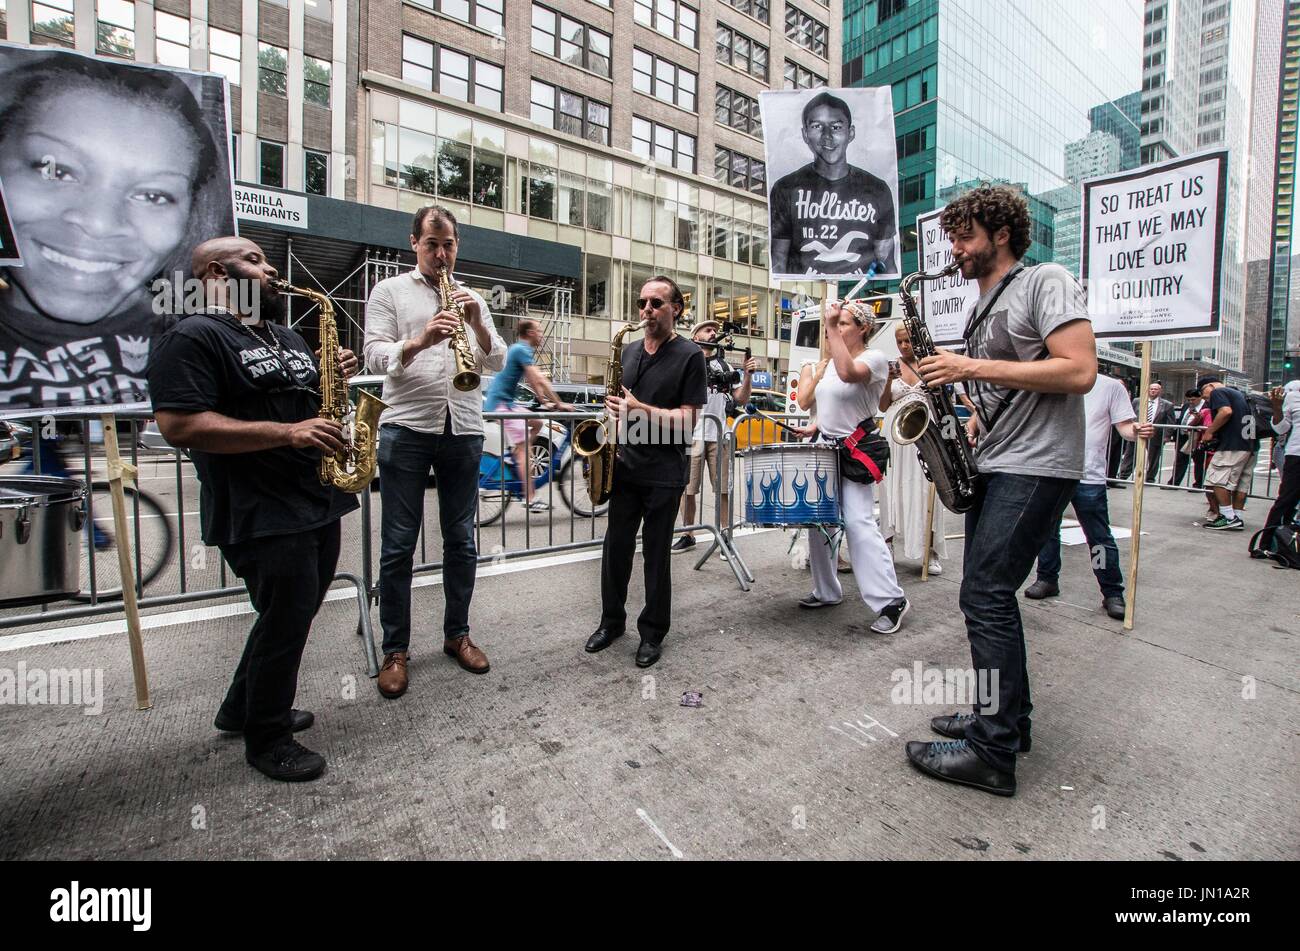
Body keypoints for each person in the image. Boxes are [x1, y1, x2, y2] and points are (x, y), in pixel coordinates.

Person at [146, 236, 359, 783]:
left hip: (313, 497)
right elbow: (180, 424)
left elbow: (308, 408)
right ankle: (268, 738)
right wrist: (287, 432)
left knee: (295, 611)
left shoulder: (284, 335)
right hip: (259, 507)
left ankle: (242, 707)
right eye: (256, 261)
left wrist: (334, 379)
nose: (271, 271)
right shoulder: (191, 336)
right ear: (218, 273)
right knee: (286, 615)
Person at [908, 184, 1097, 797]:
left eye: (964, 237)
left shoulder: (1046, 281)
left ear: (1001, 234)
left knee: (986, 594)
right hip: (999, 457)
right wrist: (953, 394)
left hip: (1037, 463)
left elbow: (1079, 370)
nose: (954, 250)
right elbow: (997, 390)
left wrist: (968, 366)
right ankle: (1008, 721)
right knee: (986, 594)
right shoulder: (980, 306)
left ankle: (992, 752)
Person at [0, 51, 230, 407]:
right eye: (56, 170)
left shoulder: (195, 342)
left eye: (152, 195)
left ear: (191, 216)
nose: (98, 223)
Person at [363, 205, 507, 698]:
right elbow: (374, 353)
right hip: (406, 426)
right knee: (399, 543)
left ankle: (457, 635)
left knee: (461, 540)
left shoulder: (472, 297)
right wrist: (422, 339)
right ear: (414, 243)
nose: (441, 254)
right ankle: (395, 648)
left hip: (463, 427)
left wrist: (477, 324)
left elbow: (497, 358)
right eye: (431, 244)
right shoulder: (390, 292)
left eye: (448, 245)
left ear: (456, 246)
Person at [585, 277, 706, 668]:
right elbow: (617, 407)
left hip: (664, 471)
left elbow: (688, 420)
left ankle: (652, 634)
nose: (647, 309)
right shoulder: (630, 350)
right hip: (624, 466)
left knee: (656, 556)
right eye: (642, 302)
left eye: (656, 302)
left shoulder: (690, 356)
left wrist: (640, 411)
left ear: (676, 309)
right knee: (615, 549)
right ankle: (611, 622)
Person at [798, 299, 910, 633]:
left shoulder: (872, 360)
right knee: (818, 523)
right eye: (836, 324)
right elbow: (829, 404)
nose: (837, 328)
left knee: (859, 524)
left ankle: (892, 600)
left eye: (844, 323)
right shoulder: (831, 363)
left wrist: (828, 324)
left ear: (863, 328)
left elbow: (850, 377)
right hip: (826, 450)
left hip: (855, 451)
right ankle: (826, 590)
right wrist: (816, 425)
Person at [1025, 374, 1153, 619]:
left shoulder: (1111, 386)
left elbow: (1124, 426)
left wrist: (1136, 430)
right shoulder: (1052, 378)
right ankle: (1047, 578)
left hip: (1088, 474)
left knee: (1098, 537)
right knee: (1047, 530)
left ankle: (1112, 591)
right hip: (1052, 468)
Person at [769, 91, 898, 278]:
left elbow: (886, 260)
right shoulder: (786, 188)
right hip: (805, 294)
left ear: (850, 133)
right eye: (816, 126)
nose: (827, 136)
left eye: (836, 127)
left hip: (858, 297)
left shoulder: (877, 189)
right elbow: (778, 258)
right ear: (805, 134)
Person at [673, 318, 755, 552]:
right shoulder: (686, 362)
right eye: (708, 330)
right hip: (692, 435)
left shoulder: (725, 367)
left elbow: (740, 399)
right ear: (695, 333)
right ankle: (687, 533)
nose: (713, 334)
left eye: (715, 331)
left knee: (722, 489)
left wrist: (748, 375)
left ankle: (725, 536)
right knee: (687, 490)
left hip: (719, 435)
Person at [482, 318, 572, 512]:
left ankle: (516, 453)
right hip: (500, 405)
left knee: (537, 424)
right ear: (530, 333)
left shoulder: (520, 350)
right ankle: (530, 498)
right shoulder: (521, 349)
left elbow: (534, 381)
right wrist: (558, 403)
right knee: (524, 449)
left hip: (506, 403)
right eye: (539, 331)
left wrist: (544, 400)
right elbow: (537, 378)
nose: (541, 335)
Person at [877, 322, 946, 576]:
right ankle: (888, 542)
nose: (904, 346)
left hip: (924, 433)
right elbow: (883, 406)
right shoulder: (892, 367)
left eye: (908, 340)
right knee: (891, 488)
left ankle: (930, 549)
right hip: (895, 436)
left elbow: (941, 401)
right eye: (899, 342)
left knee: (926, 489)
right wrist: (888, 381)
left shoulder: (930, 363)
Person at [1197, 376, 1253, 531]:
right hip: (1248, 444)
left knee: (1215, 480)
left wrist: (1210, 431)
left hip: (1231, 445)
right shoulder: (1240, 395)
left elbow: (1226, 412)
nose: (1204, 397)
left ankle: (1228, 517)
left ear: (1209, 385)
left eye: (1203, 392)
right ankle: (1237, 517)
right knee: (1240, 484)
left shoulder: (1219, 392)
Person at [1119, 382, 1173, 484]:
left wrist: (1167, 436)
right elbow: (1130, 415)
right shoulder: (1137, 401)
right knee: (1130, 455)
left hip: (1155, 434)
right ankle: (1123, 475)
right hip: (1137, 432)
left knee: (1153, 458)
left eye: (1155, 389)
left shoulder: (1167, 405)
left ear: (1160, 391)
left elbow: (1171, 422)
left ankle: (1150, 478)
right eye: (1151, 389)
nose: (1153, 391)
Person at [1263, 380, 1300, 530]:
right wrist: (1277, 407)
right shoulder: (1293, 396)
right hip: (1296, 455)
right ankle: (1268, 541)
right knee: (1286, 500)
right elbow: (1281, 428)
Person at [1165, 388, 1207, 488]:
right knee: (1180, 460)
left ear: (1200, 397)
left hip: (1197, 436)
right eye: (1188, 400)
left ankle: (1198, 484)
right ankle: (1174, 482)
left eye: (1193, 399)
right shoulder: (1186, 406)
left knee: (1198, 461)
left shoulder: (1207, 407)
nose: (1191, 402)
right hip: (1183, 436)